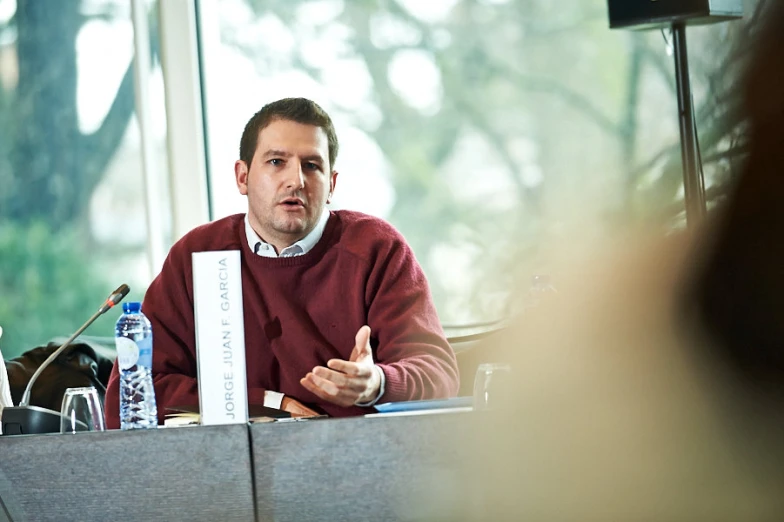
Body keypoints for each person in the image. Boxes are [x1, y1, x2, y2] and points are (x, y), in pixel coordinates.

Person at [104, 98, 459, 428]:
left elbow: (439, 373)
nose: (296, 180)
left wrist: (376, 383)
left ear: (331, 184)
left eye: (312, 166)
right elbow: (130, 394)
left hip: (352, 464)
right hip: (226, 473)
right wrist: (271, 403)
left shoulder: (376, 248)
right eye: (277, 162)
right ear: (242, 177)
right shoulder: (198, 254)